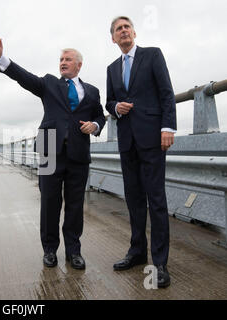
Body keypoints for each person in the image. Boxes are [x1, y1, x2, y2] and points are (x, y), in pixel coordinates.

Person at [0, 35, 105, 269]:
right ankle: (49, 250)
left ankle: (73, 251)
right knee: (49, 202)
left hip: (78, 152)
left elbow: (99, 115)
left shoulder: (93, 91)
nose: (63, 63)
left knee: (75, 205)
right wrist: (3, 60)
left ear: (79, 64)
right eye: (60, 59)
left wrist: (95, 126)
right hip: (49, 148)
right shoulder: (48, 83)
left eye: (68, 59)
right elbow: (25, 79)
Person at [105, 16, 176, 288]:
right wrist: (115, 108)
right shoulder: (112, 68)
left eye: (126, 27)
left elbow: (167, 93)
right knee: (134, 199)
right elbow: (110, 100)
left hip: (153, 138)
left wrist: (167, 127)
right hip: (127, 141)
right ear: (113, 39)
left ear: (133, 32)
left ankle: (159, 263)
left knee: (156, 200)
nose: (123, 31)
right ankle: (137, 252)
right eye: (117, 29)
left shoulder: (152, 55)